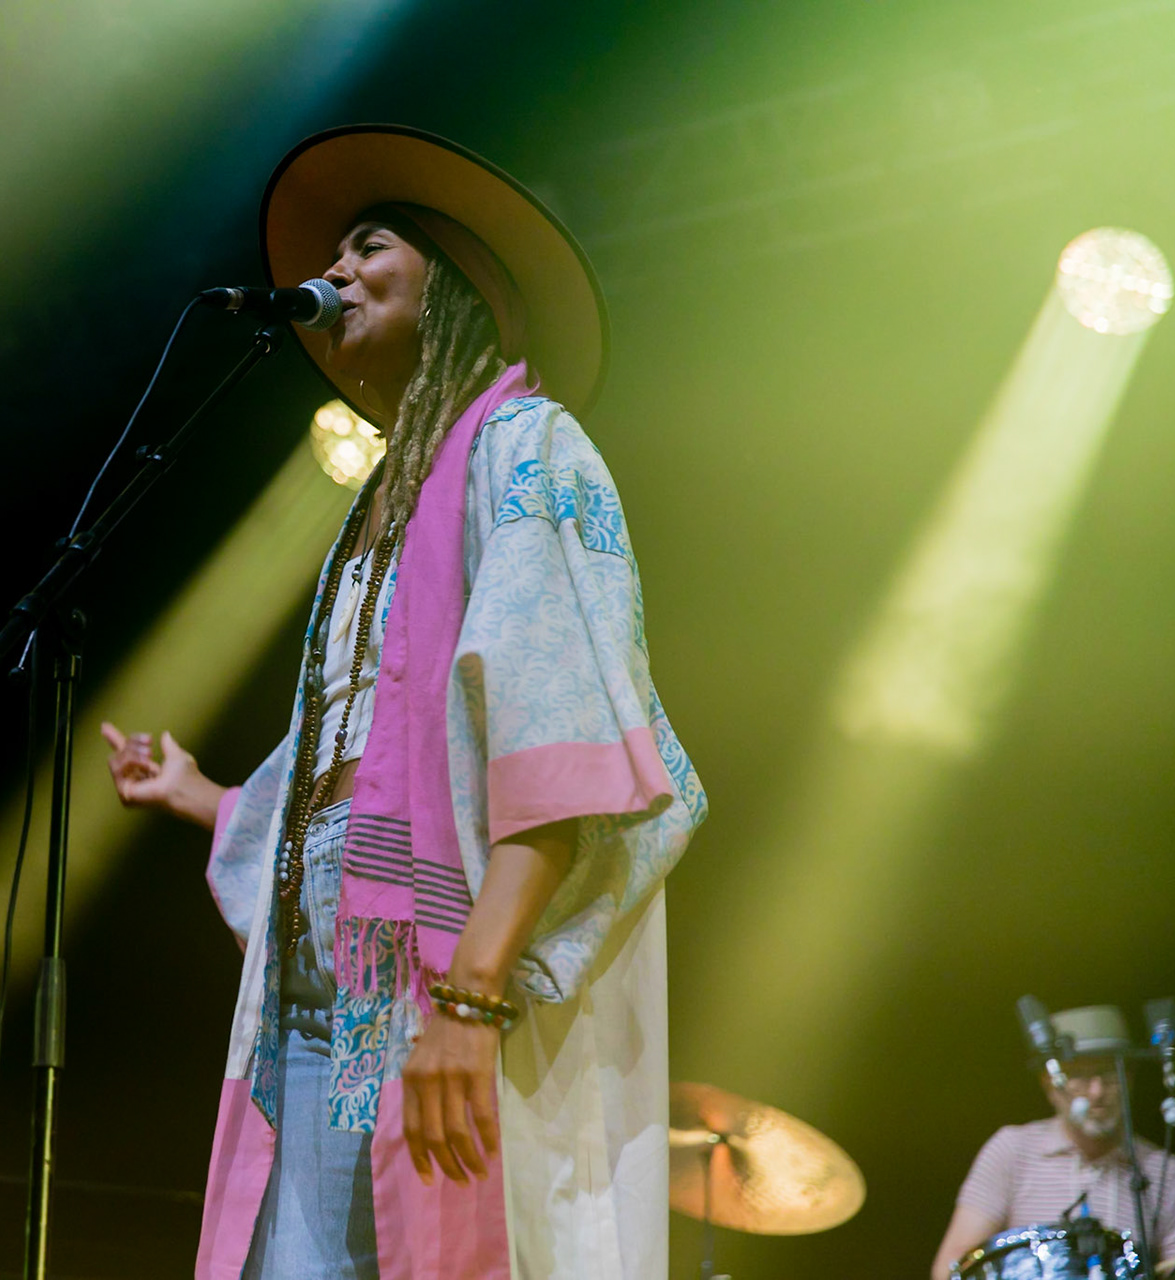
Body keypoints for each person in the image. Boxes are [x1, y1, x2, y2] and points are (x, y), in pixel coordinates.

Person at [102, 125, 706, 1280]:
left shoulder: (526, 448)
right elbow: (355, 763)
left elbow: (558, 743)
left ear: (460, 282)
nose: (336, 269)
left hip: (442, 966)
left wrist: (470, 1003)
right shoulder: (381, 499)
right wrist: (203, 796)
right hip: (321, 973)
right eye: (335, 249)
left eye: (370, 244)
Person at [931, 1005, 1175, 1280]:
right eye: (1080, 1075)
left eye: (1109, 1074)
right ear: (1049, 1085)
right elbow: (951, 1268)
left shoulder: (1166, 1172)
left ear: (1129, 1080)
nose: (1097, 1092)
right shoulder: (1012, 1150)